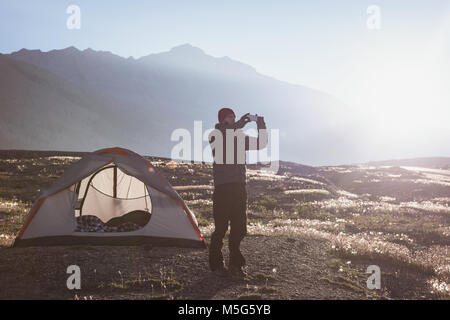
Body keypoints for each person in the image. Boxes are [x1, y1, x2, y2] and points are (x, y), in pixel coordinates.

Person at [208, 107, 268, 277]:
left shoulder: (239, 137)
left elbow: (261, 143)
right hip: (222, 188)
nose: (233, 120)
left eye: (234, 117)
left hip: (239, 188)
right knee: (220, 228)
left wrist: (261, 123)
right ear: (222, 120)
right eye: (229, 117)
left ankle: (235, 264)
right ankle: (216, 265)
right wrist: (243, 122)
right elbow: (227, 131)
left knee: (239, 228)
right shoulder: (216, 134)